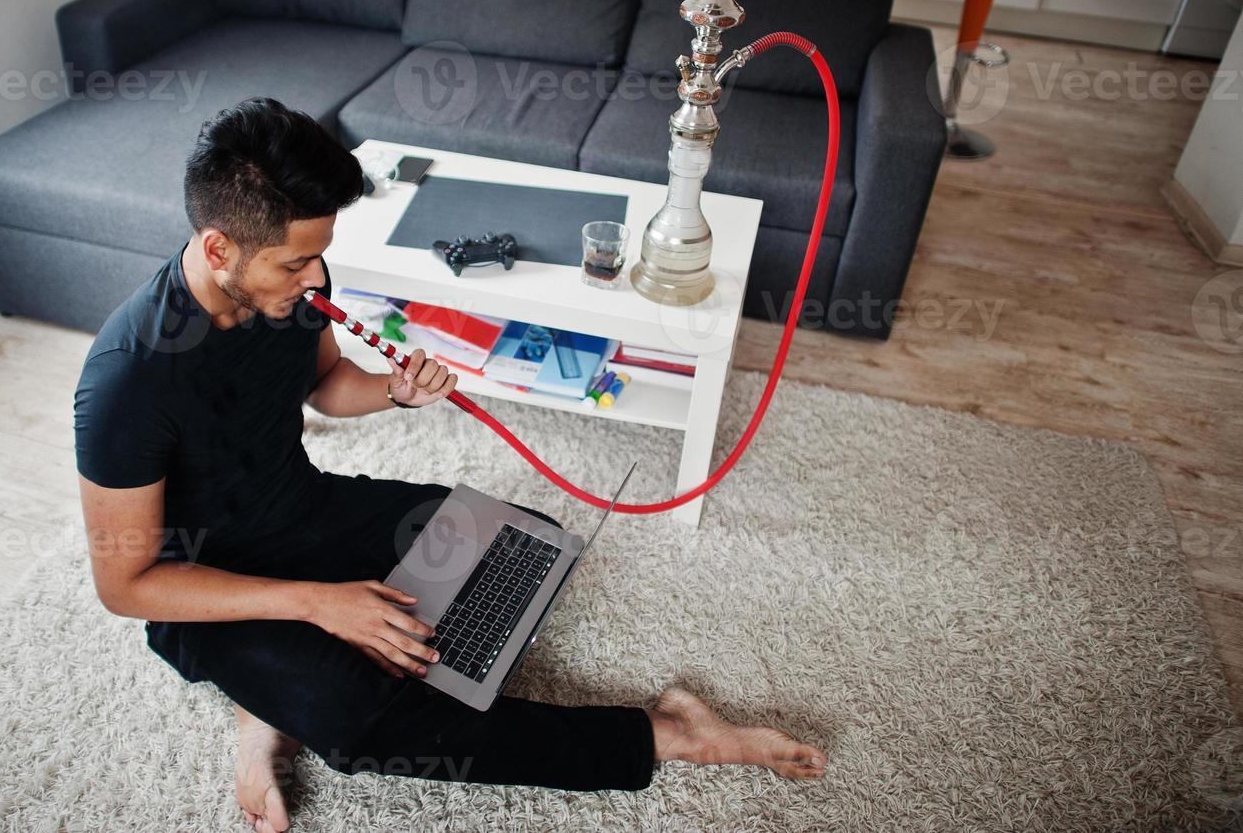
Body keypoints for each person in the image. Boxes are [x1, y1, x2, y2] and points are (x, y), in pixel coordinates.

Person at [73, 97, 826, 833]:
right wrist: (318, 604)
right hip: (210, 583)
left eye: (320, 256)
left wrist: (393, 394)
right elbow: (125, 584)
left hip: (302, 509)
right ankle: (666, 733)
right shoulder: (126, 380)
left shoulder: (299, 288)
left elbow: (323, 387)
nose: (314, 279)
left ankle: (267, 703)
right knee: (361, 722)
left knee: (525, 543)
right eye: (296, 261)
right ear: (217, 249)